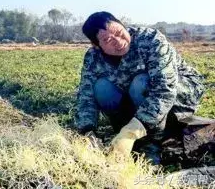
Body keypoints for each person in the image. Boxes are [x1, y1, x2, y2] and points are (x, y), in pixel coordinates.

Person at [75, 11, 205, 164]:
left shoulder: (151, 40)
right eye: (108, 40)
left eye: (118, 32)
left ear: (123, 25)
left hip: (182, 90)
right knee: (101, 88)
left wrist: (133, 130)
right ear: (96, 46)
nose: (118, 41)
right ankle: (122, 130)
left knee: (142, 83)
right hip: (137, 94)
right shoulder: (93, 57)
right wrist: (87, 131)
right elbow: (86, 96)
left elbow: (164, 90)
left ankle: (151, 143)